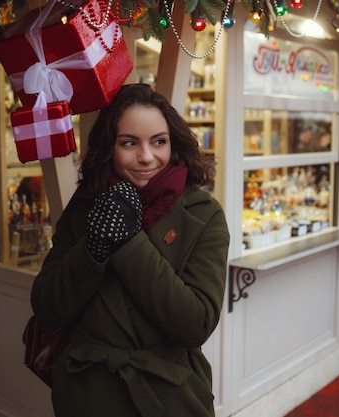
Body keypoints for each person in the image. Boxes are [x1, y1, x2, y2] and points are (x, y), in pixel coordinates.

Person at [30, 83, 230, 417]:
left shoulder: (202, 214)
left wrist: (127, 241)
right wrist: (92, 247)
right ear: (110, 147)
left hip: (170, 395)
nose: (147, 157)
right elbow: (47, 307)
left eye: (158, 141)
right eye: (129, 143)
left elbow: (195, 324)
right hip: (88, 395)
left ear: (174, 143)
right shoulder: (85, 205)